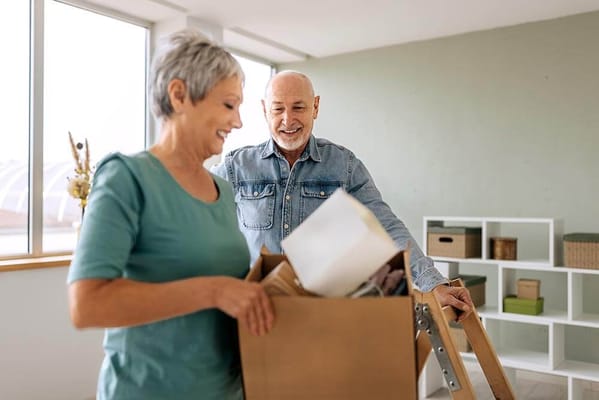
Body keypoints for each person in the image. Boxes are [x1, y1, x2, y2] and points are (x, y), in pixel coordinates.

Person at [67, 29, 274, 400]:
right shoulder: (127, 177)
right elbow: (87, 304)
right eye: (228, 105)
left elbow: (230, 290)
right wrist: (212, 291)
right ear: (179, 95)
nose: (239, 122)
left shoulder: (223, 190)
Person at [211, 70, 473, 316]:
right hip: (256, 313)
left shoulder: (344, 167)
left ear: (315, 107)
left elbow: (387, 227)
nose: (287, 119)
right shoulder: (236, 167)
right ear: (265, 110)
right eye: (278, 108)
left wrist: (432, 283)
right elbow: (201, 217)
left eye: (298, 107)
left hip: (323, 314)